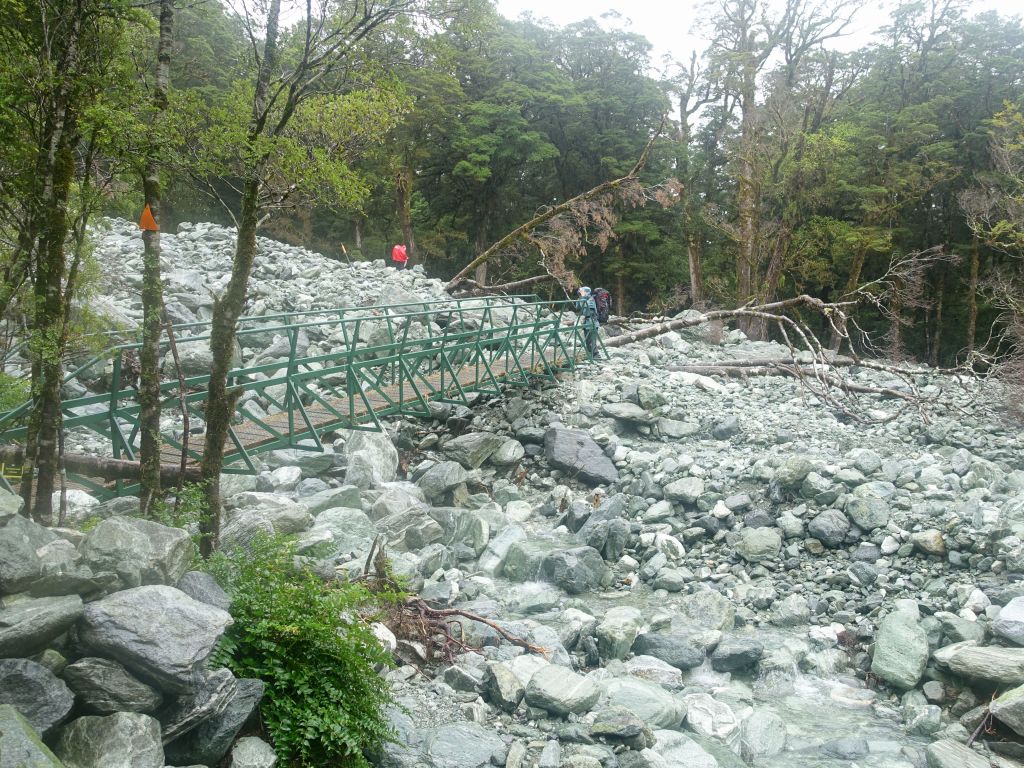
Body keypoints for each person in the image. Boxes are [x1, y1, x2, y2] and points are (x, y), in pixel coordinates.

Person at [575, 286, 600, 358]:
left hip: (592, 323)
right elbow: (577, 308)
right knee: (587, 341)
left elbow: (586, 312)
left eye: (582, 292)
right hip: (587, 323)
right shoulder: (584, 299)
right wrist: (581, 298)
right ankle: (590, 355)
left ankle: (596, 356)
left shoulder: (591, 300)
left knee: (592, 341)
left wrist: (583, 297)